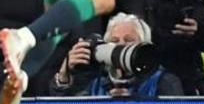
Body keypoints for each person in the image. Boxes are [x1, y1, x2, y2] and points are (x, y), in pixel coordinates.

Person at [51, 13, 185, 97]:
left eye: (129, 40)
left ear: (144, 45)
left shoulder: (163, 81)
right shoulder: (96, 82)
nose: (120, 45)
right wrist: (64, 74)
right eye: (114, 41)